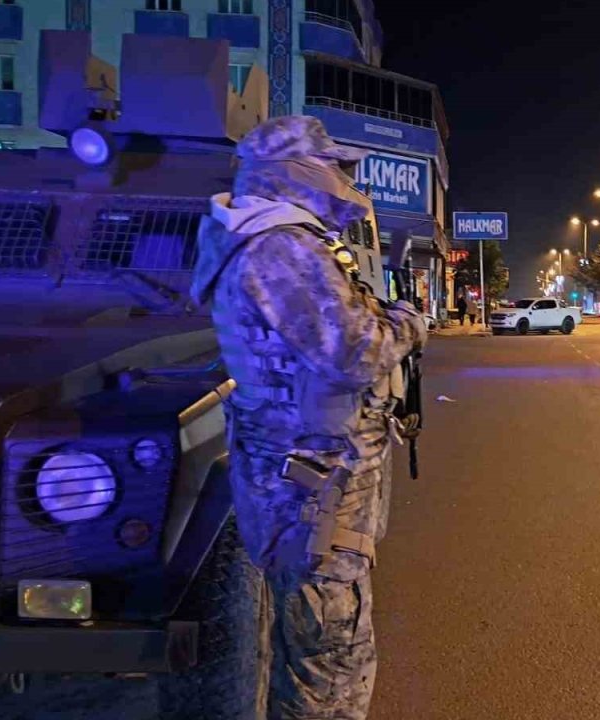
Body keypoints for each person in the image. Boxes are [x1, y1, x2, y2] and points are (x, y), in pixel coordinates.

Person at [190, 115, 427, 720]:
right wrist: (407, 320)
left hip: (307, 485)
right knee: (330, 664)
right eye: (331, 164)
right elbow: (358, 350)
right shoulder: (280, 248)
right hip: (311, 495)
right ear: (292, 172)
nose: (342, 177)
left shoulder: (277, 240)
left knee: (312, 654)